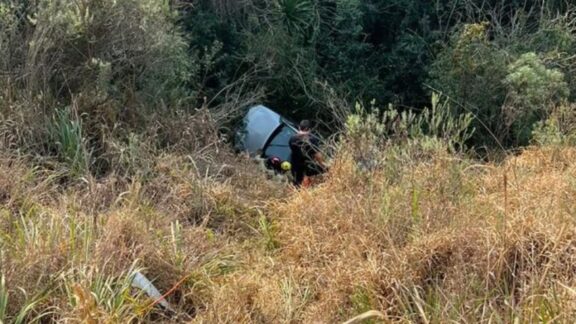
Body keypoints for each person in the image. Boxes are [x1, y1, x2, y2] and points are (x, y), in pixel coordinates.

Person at [289, 120, 326, 188]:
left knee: (297, 185)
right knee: (325, 170)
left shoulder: (292, 139)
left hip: (295, 166)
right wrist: (323, 165)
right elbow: (318, 155)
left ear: (299, 127)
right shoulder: (312, 140)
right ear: (309, 129)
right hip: (307, 166)